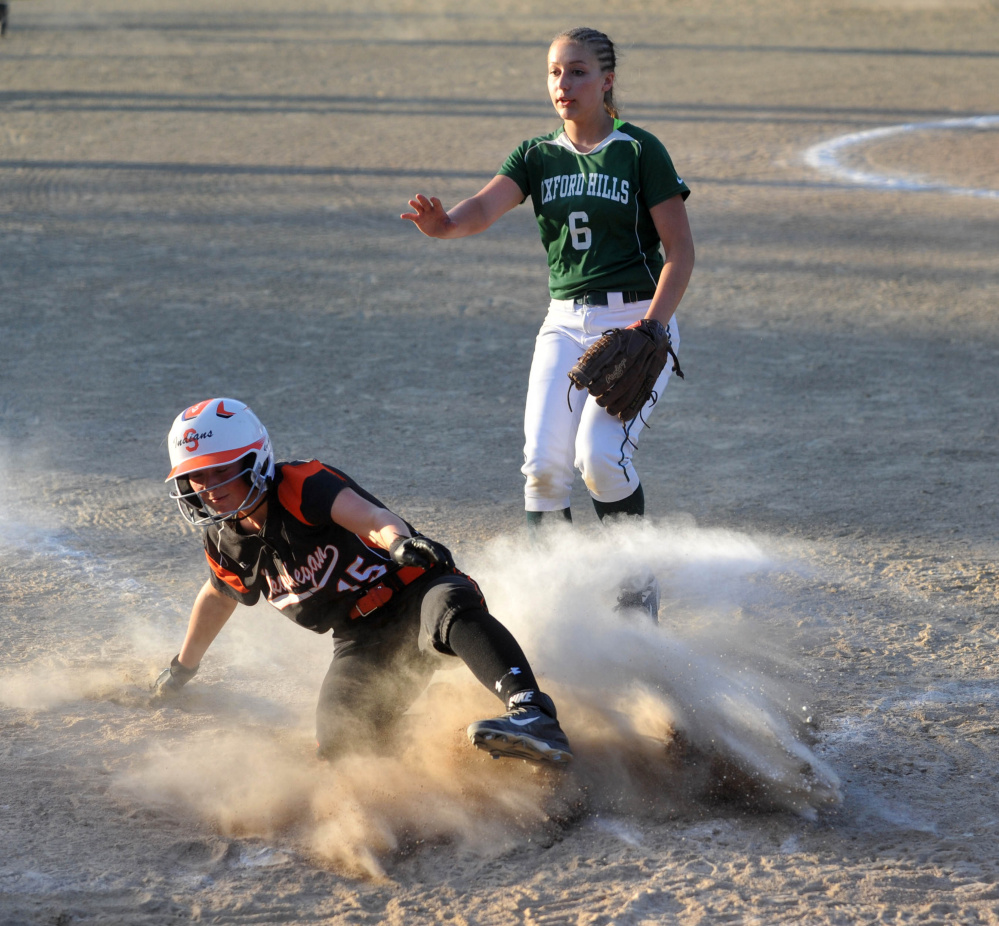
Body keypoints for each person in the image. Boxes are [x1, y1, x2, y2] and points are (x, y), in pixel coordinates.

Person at [401, 27, 695, 620]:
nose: (565, 84)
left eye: (579, 71)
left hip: (634, 321)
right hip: (564, 325)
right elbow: (484, 207)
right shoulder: (535, 155)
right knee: (543, 471)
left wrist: (652, 329)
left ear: (606, 81)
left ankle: (635, 598)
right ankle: (556, 607)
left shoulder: (639, 150)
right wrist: (444, 225)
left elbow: (680, 253)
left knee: (601, 459)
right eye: (556, 73)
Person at [152, 397, 572, 767]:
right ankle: (440, 737)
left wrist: (399, 542)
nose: (207, 488)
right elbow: (219, 595)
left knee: (448, 607)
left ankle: (532, 711)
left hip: (414, 591)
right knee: (340, 744)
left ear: (254, 460)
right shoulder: (224, 540)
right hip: (360, 640)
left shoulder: (300, 484)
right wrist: (180, 670)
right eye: (196, 476)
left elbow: (370, 518)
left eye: (219, 470)